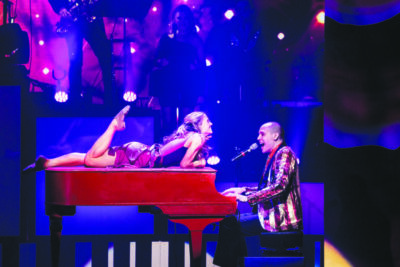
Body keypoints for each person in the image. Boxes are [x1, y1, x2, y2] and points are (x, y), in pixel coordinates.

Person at [213, 122, 303, 267]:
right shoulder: (274, 155)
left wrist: (247, 198)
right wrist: (242, 190)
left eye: (262, 134)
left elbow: (280, 186)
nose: (258, 138)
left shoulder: (284, 152)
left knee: (230, 224)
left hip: (280, 219)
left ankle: (233, 264)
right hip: (271, 215)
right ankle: (237, 263)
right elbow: (267, 187)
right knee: (230, 221)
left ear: (275, 135)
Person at [23, 106, 213, 172]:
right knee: (90, 160)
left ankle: (47, 163)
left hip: (141, 152)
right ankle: (113, 126)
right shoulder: (197, 137)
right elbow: (185, 164)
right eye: (208, 122)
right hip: (142, 157)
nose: (210, 125)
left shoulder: (189, 136)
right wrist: (201, 163)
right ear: (198, 125)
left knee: (86, 157)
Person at [149, 4, 205, 137]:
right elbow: (156, 60)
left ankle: (185, 152)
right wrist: (162, 62)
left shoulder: (195, 40)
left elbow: (201, 65)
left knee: (186, 123)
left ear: (190, 20)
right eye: (179, 18)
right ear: (174, 20)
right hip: (169, 83)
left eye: (185, 19)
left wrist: (195, 68)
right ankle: (168, 151)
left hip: (188, 84)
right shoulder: (166, 39)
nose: (182, 22)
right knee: (168, 122)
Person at [48, 0, 113, 105]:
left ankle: (110, 101)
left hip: (92, 18)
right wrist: (61, 8)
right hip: (72, 21)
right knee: (75, 62)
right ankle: (75, 101)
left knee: (106, 58)